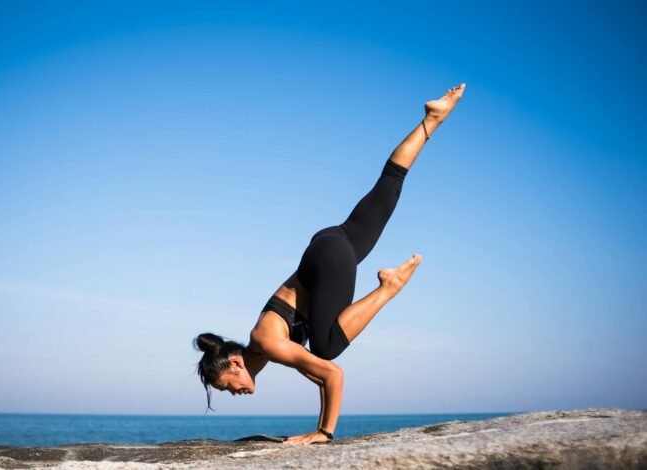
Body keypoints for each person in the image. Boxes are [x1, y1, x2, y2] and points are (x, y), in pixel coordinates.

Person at [193, 83, 466, 445]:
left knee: (326, 347)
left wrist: (323, 432)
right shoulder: (264, 348)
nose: (233, 393)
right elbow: (317, 376)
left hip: (328, 261)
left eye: (227, 387)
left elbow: (332, 374)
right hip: (329, 244)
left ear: (235, 365)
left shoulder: (267, 343)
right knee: (388, 186)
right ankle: (433, 119)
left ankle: (389, 287)